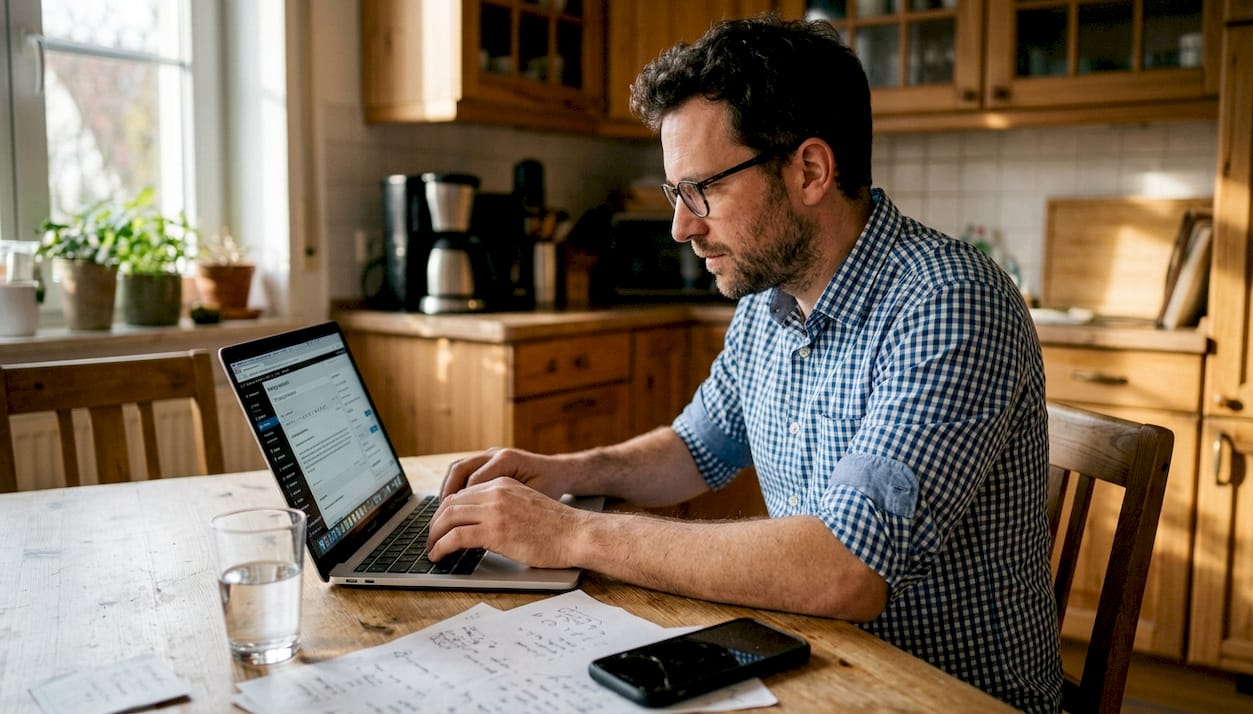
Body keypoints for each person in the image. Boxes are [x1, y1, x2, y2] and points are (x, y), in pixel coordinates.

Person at [427, 14, 1061, 713]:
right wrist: (571, 473)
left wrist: (571, 531)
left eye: (704, 190)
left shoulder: (948, 301)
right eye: (676, 194)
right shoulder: (769, 299)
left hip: (942, 696)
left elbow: (846, 571)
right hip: (816, 662)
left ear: (810, 171)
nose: (682, 226)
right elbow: (695, 450)